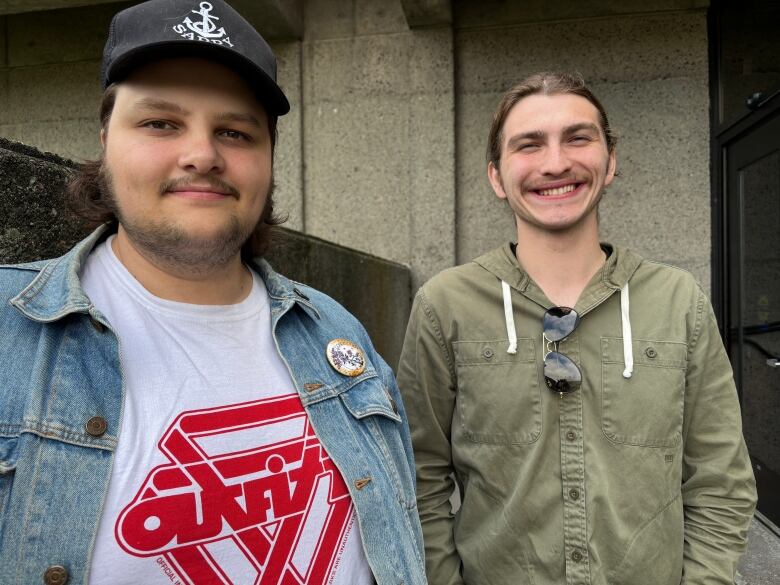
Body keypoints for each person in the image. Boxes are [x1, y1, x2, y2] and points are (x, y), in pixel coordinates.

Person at [0, 1, 425, 583]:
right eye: (160, 123)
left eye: (235, 131)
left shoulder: (337, 332)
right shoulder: (7, 335)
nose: (202, 155)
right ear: (105, 140)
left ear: (269, 160)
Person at [397, 72, 757, 585]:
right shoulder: (445, 306)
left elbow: (721, 480)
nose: (556, 162)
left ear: (611, 161)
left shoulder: (679, 302)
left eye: (577, 138)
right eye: (529, 145)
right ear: (497, 176)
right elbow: (417, 478)